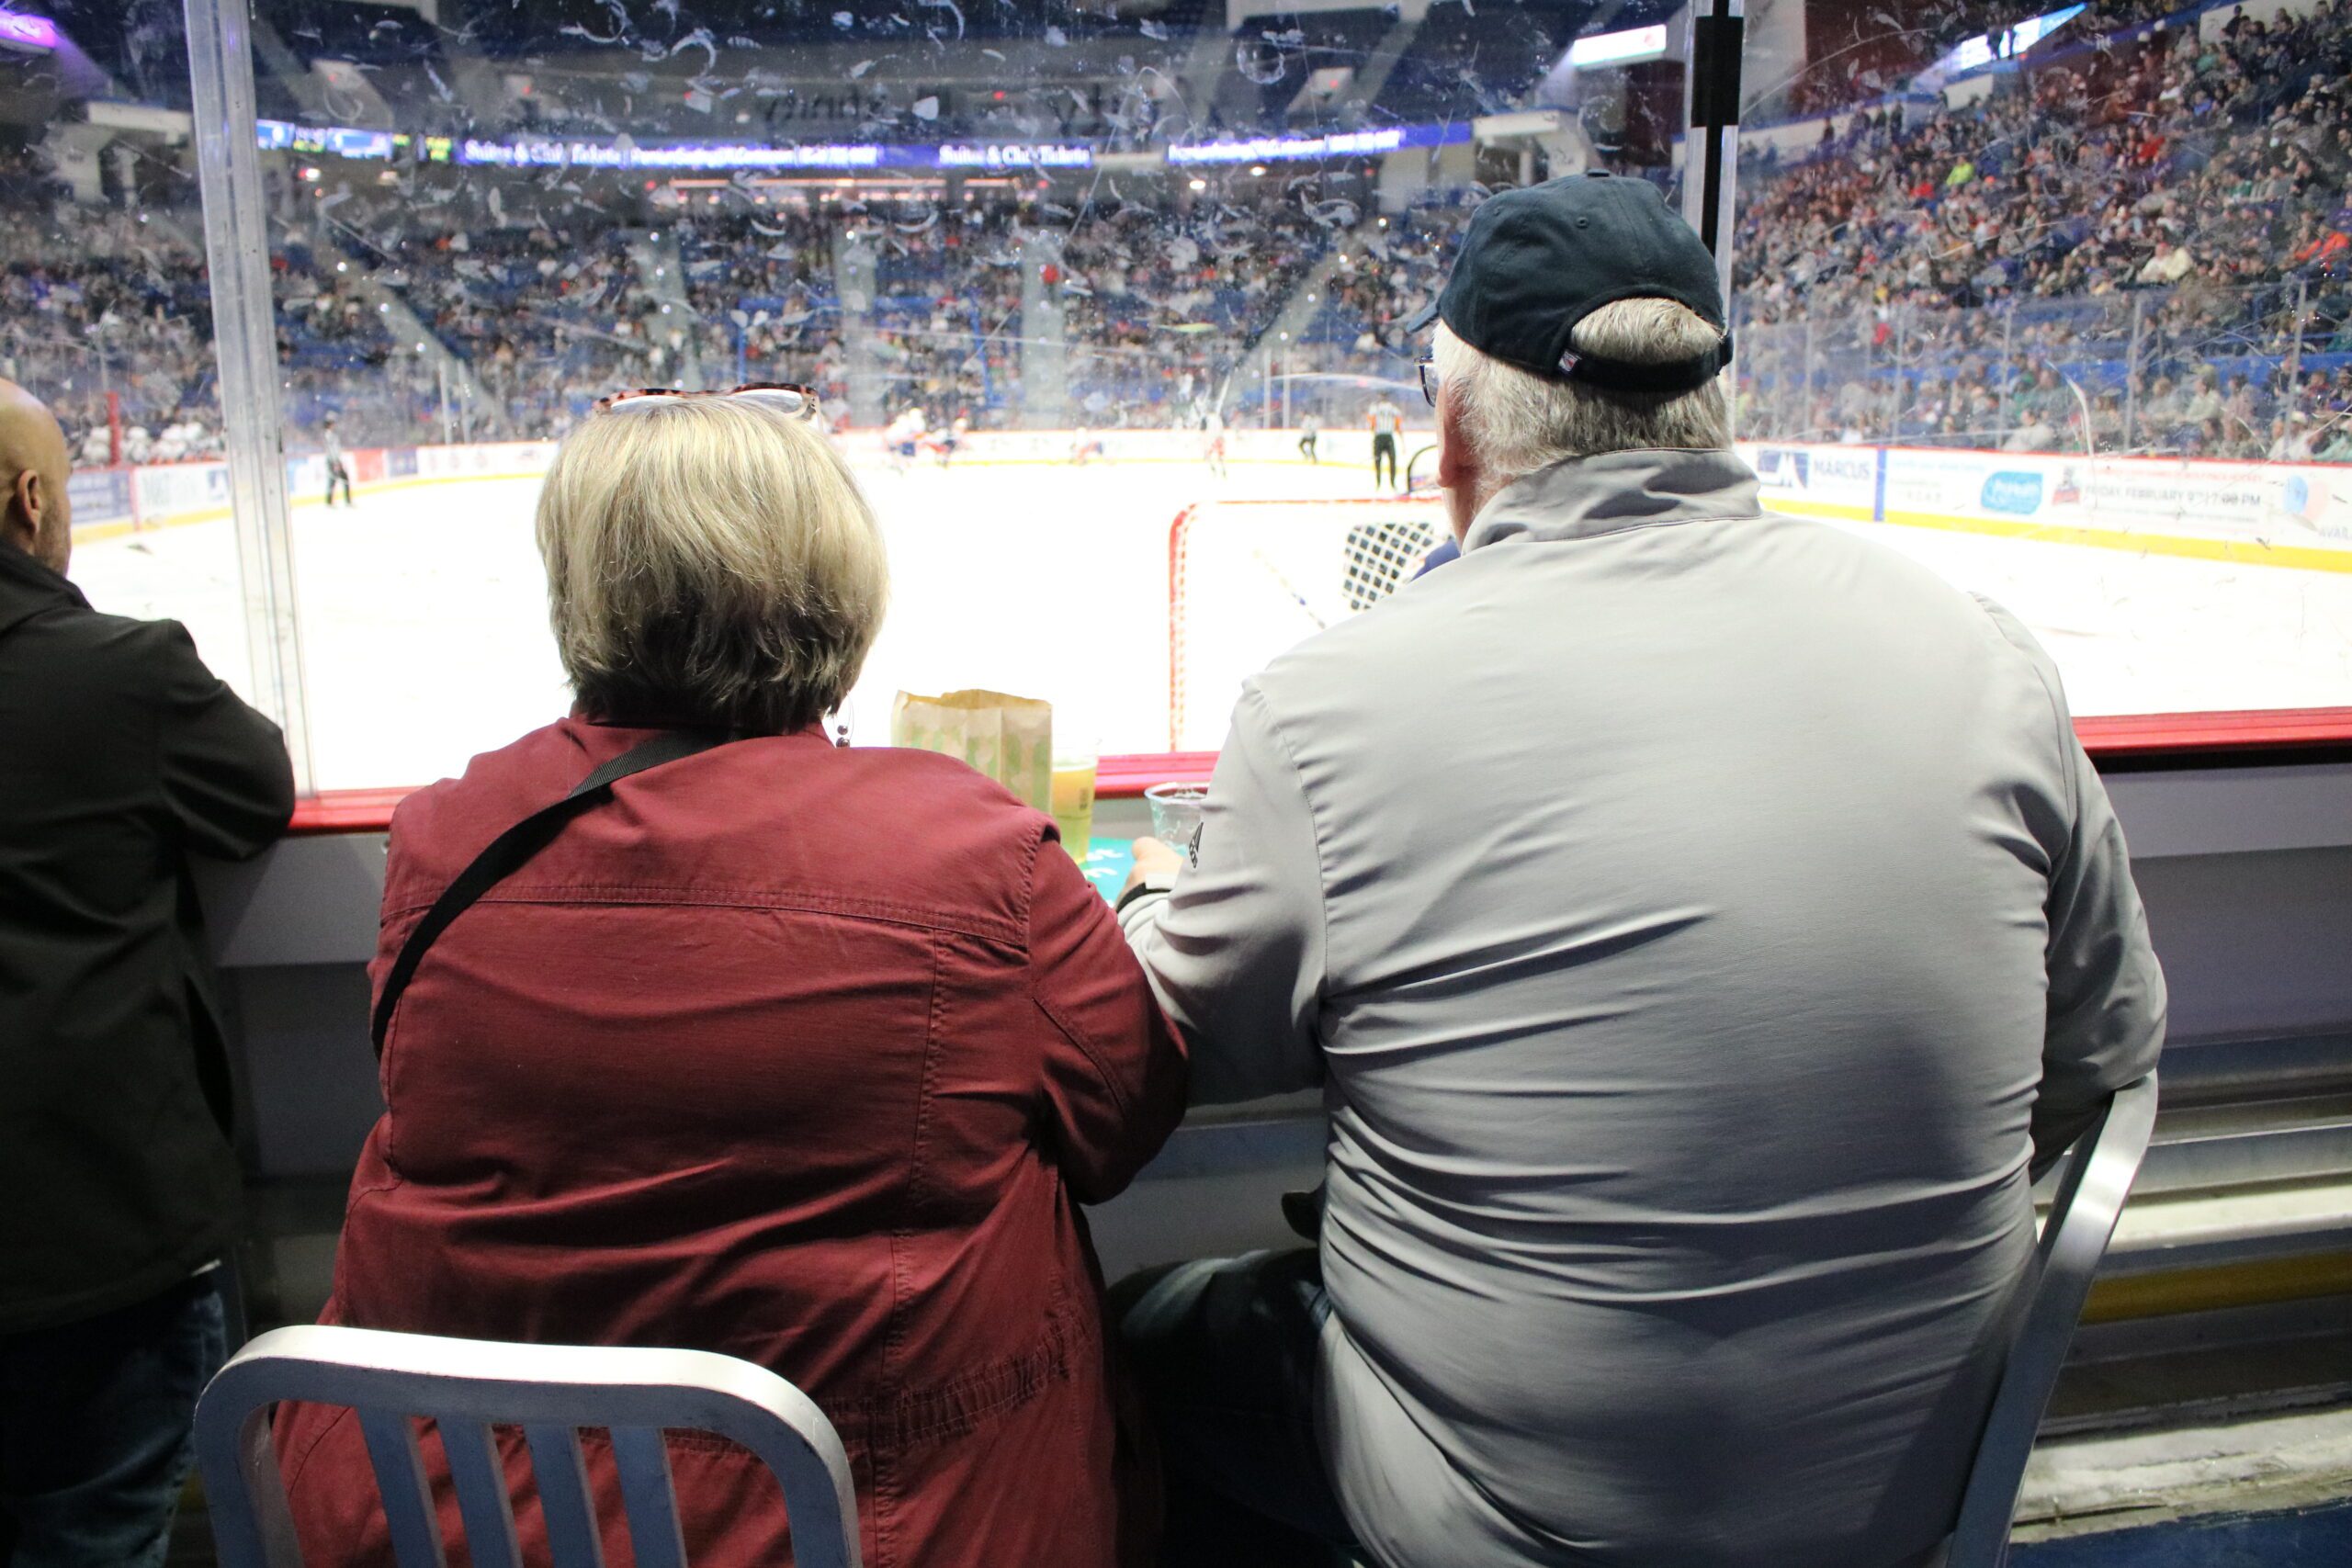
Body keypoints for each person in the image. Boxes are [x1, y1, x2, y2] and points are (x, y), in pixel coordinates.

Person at [1113, 174, 2165, 1568]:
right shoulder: (1982, 652)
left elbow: (1179, 1049)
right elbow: (2104, 1049)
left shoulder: (1331, 705)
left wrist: (1152, 905)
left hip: (1517, 1519)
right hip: (1908, 1499)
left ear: (1452, 432)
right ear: (1713, 408)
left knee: (1141, 1340)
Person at [273, 386, 1187, 1568]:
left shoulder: (445, 840)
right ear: (836, 591)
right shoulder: (967, 852)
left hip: (461, 1520)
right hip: (875, 1528)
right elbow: (1125, 1120)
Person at [0, 378, 296, 1565]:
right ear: (30, 502)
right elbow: (254, 790)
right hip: (95, 1238)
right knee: (96, 1528)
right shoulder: (115, 673)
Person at [1366, 394, 1403, 490]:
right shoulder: (1393, 409)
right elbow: (1398, 422)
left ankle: (1380, 483)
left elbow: (1371, 421)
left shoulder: (1375, 408)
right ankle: (1391, 483)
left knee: (1378, 461)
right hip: (1387, 436)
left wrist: (1372, 428)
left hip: (1380, 436)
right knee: (1391, 460)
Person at [322, 413, 353, 508]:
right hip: (333, 461)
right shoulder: (329, 436)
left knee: (333, 480)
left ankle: (329, 502)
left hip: (333, 460)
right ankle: (346, 501)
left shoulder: (329, 435)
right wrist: (336, 462)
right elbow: (331, 449)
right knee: (340, 479)